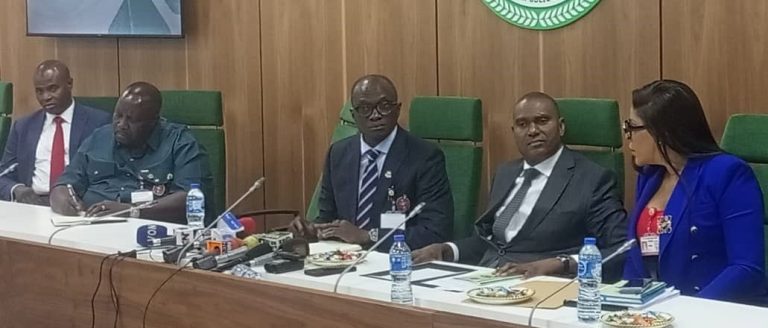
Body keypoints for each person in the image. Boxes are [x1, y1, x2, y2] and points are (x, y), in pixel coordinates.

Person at [412, 92, 627, 282]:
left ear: (561, 127)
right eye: (523, 124)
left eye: (542, 121)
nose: (533, 131)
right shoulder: (505, 173)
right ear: (514, 131)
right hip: (485, 281)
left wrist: (561, 263)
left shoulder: (592, 179)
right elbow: (493, 244)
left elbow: (622, 249)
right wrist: (447, 250)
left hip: (545, 287)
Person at [622, 80, 767, 302]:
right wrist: (625, 303)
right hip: (657, 310)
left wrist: (689, 309)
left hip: (716, 309)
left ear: (661, 131)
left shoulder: (727, 173)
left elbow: (746, 268)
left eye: (631, 127)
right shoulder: (650, 176)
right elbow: (635, 258)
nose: (627, 136)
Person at [289, 74, 453, 250]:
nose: (375, 116)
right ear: (354, 115)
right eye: (365, 108)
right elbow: (327, 218)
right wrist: (313, 230)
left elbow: (435, 231)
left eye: (384, 106)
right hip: (344, 257)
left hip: (395, 257)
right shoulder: (338, 154)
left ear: (397, 109)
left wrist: (368, 236)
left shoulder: (424, 157)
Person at [50, 81, 214, 224]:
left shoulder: (181, 143)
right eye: (118, 116)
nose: (121, 125)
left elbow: (191, 198)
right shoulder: (99, 137)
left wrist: (132, 211)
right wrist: (66, 203)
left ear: (153, 121)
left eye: (131, 120)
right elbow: (64, 184)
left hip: (150, 230)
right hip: (90, 226)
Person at [0, 60, 111, 205]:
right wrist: (18, 189)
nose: (46, 97)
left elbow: (108, 175)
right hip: (33, 203)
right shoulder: (23, 127)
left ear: (69, 84)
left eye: (52, 89)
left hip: (78, 202)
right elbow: (3, 174)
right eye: (39, 91)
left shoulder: (98, 123)